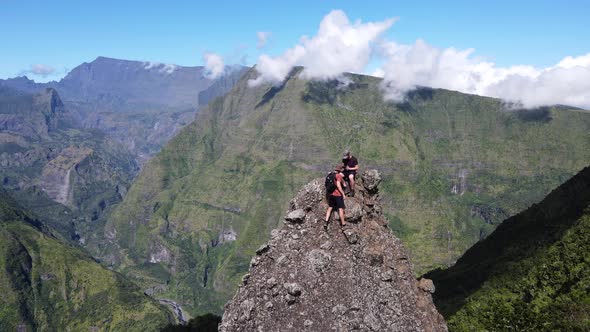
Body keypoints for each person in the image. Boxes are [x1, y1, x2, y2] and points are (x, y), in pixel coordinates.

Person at [324, 165, 346, 229]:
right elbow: (339, 186)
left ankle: (326, 221)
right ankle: (343, 224)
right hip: (337, 195)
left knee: (330, 207)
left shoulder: (330, 174)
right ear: (340, 170)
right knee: (340, 209)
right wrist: (343, 194)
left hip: (330, 194)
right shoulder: (338, 175)